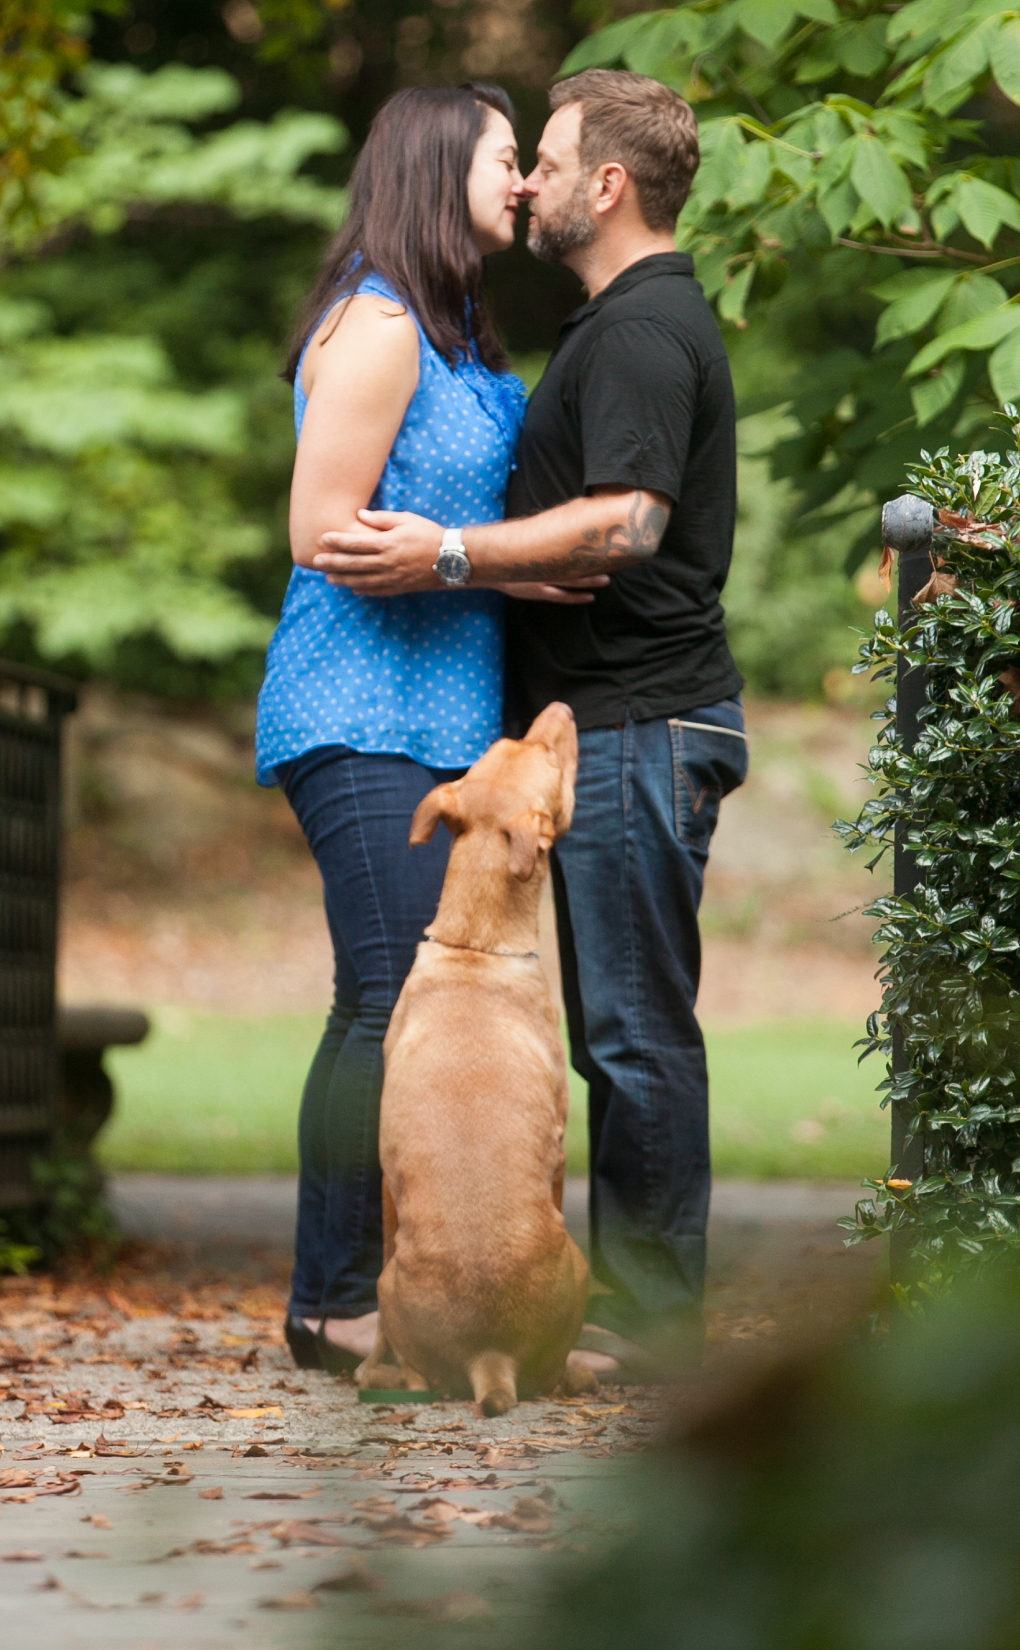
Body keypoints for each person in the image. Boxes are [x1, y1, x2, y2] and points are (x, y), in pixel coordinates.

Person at [314, 68, 744, 1377]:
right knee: (622, 1027)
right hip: (614, 724)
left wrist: (451, 552)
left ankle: (650, 1318)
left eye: (545, 161)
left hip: (641, 721)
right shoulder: (615, 325)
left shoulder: (642, 329)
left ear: (606, 186)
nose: (527, 182)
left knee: (632, 1034)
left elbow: (630, 523)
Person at [256, 83, 601, 1377]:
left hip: (442, 716)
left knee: (386, 999)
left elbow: (451, 535)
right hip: (357, 707)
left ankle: (389, 1292)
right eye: (505, 158)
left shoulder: (452, 330)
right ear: (436, 167)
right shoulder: (381, 323)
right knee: (381, 1000)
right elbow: (320, 528)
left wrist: (506, 569)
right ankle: (334, 1300)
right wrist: (479, 562)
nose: (521, 181)